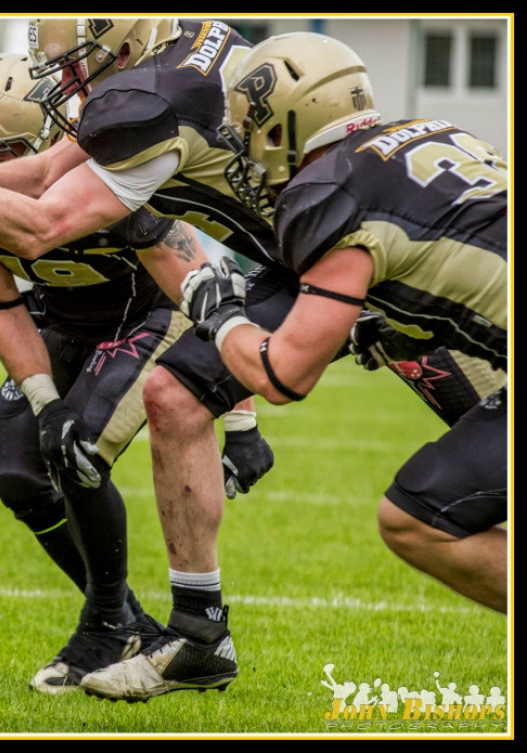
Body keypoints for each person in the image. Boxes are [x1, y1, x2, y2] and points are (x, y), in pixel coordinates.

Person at [0, 17, 506, 702]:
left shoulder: (156, 105)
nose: (67, 80)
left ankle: (156, 626)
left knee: (435, 496)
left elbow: (42, 225)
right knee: (175, 394)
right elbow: (44, 172)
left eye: (78, 62)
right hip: (331, 250)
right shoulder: (187, 51)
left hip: (344, 253)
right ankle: (198, 633)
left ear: (125, 41)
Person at [178, 31, 507, 613]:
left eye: (255, 132)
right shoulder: (432, 132)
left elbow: (285, 376)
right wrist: (401, 322)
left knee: (416, 518)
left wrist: (221, 314)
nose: (250, 152)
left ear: (285, 127)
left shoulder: (329, 190)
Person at [0, 51, 214, 693]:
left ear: (44, 141)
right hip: (60, 326)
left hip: (146, 320)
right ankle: (125, 620)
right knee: (19, 473)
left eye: (1, 153)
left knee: (79, 452)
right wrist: (45, 399)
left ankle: (102, 625)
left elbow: (200, 288)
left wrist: (242, 415)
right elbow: (1, 302)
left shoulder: (110, 179)